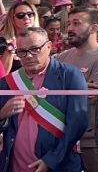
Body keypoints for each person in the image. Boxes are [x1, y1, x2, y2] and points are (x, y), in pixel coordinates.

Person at [0, 26, 88, 172]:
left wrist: (52, 160)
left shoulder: (69, 76)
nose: (28, 56)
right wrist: (2, 114)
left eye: (35, 49)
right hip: (16, 164)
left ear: (48, 46)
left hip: (59, 164)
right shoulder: (8, 83)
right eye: (22, 51)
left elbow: (78, 124)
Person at [55, 7, 98, 172]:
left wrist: (62, 90)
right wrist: (79, 87)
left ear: (94, 28)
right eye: (69, 23)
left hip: (91, 138)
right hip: (61, 134)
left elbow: (93, 97)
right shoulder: (62, 57)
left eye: (76, 23)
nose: (69, 28)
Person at [2, 0, 39, 73]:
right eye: (21, 15)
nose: (26, 17)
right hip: (12, 83)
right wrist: (11, 48)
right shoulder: (3, 42)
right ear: (12, 19)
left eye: (30, 14)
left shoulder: (42, 40)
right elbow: (3, 73)